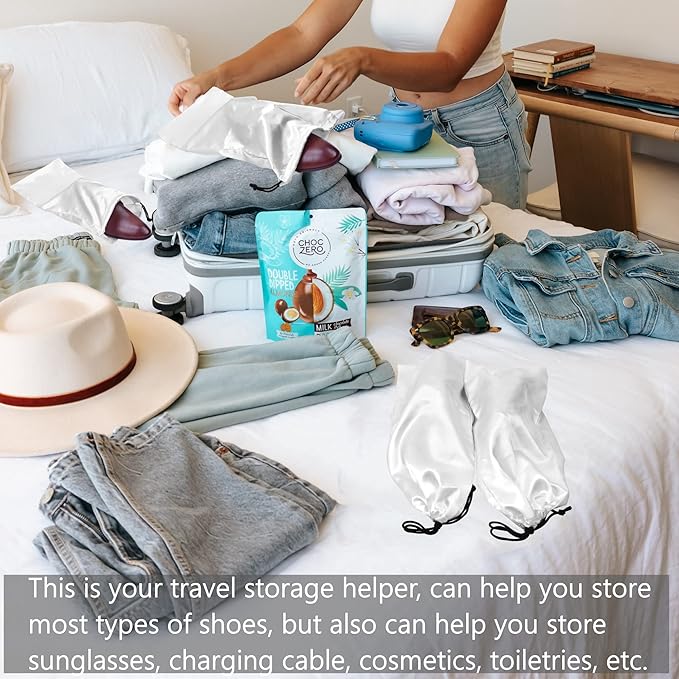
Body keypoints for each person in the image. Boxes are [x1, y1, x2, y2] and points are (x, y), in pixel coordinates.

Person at [169, 0, 531, 208]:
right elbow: (302, 34)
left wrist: (362, 59)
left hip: (478, 125)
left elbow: (449, 67)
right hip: (402, 122)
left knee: (496, 254)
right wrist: (215, 77)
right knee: (427, 247)